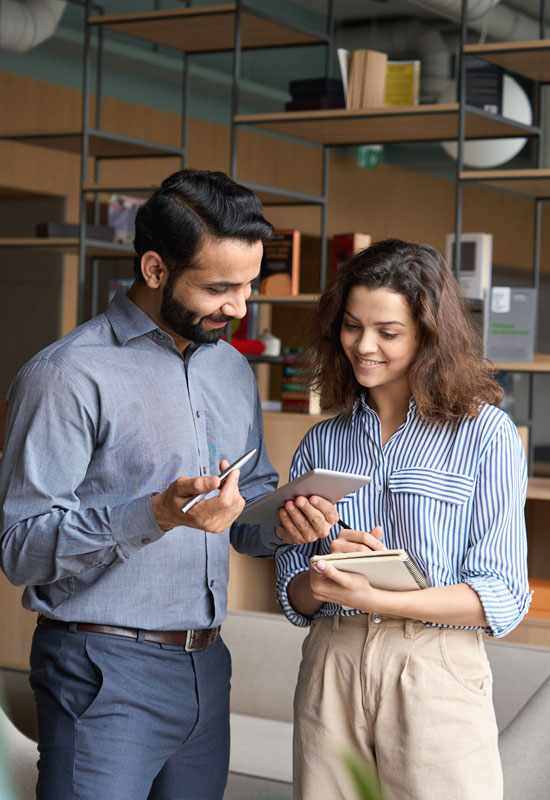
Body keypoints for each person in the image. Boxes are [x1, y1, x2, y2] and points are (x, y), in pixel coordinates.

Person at [0, 168, 337, 800]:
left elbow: (246, 517)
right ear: (155, 269)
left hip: (207, 668)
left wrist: (294, 521)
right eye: (219, 288)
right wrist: (154, 514)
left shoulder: (231, 369)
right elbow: (20, 550)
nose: (239, 308)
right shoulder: (67, 376)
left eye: (248, 285)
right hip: (100, 670)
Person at [276, 238, 531, 800]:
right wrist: (320, 576)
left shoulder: (485, 435)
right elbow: (293, 595)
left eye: (387, 332)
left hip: (434, 664)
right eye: (352, 326)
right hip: (333, 662)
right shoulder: (322, 442)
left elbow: (501, 596)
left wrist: (375, 596)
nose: (363, 345)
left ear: (429, 337)